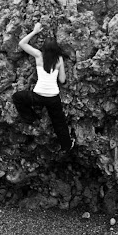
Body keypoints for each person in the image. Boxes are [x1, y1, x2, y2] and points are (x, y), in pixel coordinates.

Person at [13, 22, 75, 151]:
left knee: (17, 97)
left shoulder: (39, 55)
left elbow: (22, 44)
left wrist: (35, 32)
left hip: (38, 96)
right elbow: (62, 80)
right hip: (53, 97)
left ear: (44, 48)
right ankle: (66, 145)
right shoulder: (59, 59)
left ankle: (31, 118)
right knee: (59, 122)